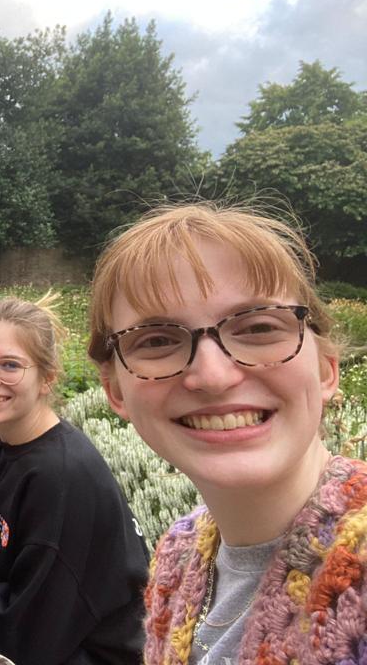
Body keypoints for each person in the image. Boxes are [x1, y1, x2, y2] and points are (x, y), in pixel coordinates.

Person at [88, 202, 354, 665]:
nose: (212, 376)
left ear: (326, 369)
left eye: (259, 327)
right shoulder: (178, 551)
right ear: (116, 391)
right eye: (156, 340)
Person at [0, 297, 149, 665]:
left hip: (79, 653)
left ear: (47, 377)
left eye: (9, 365)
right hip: (37, 630)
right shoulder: (18, 447)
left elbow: (31, 636)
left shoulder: (59, 477)